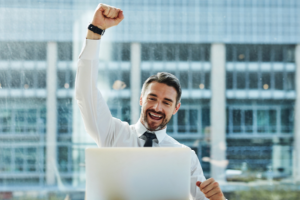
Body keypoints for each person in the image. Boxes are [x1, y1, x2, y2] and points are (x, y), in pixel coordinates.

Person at [75, 3, 227, 200]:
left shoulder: (184, 157)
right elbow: (85, 93)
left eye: (166, 102)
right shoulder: (113, 134)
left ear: (176, 108)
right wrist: (95, 31)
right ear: (141, 99)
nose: (157, 107)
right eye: (152, 98)